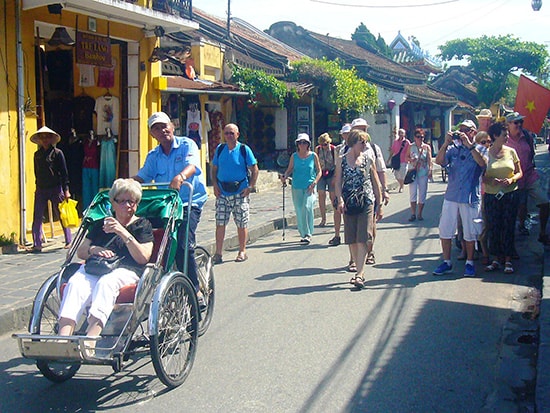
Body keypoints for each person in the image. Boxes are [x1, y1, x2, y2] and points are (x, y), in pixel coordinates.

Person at [58, 178, 154, 337]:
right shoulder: (101, 224)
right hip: (97, 267)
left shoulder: (142, 225)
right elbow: (81, 252)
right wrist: (94, 249)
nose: (127, 205)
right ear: (113, 202)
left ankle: (91, 338)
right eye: (121, 201)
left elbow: (143, 257)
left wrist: (122, 232)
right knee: (75, 283)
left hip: (127, 270)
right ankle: (63, 339)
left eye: (131, 201)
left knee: (106, 283)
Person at [133, 112, 208, 302]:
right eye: (156, 128)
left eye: (164, 126)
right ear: (152, 135)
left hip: (188, 202)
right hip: (164, 205)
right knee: (143, 235)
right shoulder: (154, 155)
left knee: (183, 244)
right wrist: (126, 184)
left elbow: (192, 166)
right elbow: (142, 176)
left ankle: (195, 289)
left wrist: (180, 177)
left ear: (172, 126)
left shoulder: (186, 145)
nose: (162, 130)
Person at [433, 119, 487, 277]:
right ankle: (446, 261)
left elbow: (482, 164)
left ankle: (470, 262)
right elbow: (439, 161)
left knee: (470, 232)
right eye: (461, 129)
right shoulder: (452, 149)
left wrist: (469, 145)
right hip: (452, 195)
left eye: (467, 130)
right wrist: (445, 144)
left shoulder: (480, 149)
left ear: (474, 132)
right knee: (445, 228)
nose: (463, 132)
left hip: (470, 197)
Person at [334, 130, 382, 289]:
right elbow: (338, 182)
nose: (365, 145)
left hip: (366, 201)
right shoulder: (341, 161)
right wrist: (339, 199)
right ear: (354, 142)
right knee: (351, 238)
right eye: (362, 142)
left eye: (366, 142)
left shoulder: (368, 159)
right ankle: (356, 264)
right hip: (348, 203)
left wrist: (379, 204)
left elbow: (376, 183)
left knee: (363, 236)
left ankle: (359, 274)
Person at [210, 123, 259, 264]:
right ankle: (218, 253)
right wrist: (214, 185)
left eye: (232, 133)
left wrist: (250, 187)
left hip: (240, 192)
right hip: (222, 192)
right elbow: (214, 168)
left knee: (241, 223)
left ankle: (242, 251)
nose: (229, 136)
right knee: (220, 222)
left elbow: (254, 169)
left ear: (237, 134)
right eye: (226, 133)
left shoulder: (244, 149)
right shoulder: (220, 149)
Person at [505, 111, 550, 246]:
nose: (519, 125)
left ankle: (542, 233)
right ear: (508, 125)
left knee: (545, 202)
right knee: (520, 205)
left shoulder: (527, 136)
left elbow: (532, 153)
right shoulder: (504, 139)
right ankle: (520, 227)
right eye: (516, 122)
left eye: (521, 122)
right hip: (513, 177)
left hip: (530, 175)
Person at [483, 122, 522, 274]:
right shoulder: (485, 153)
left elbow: (519, 172)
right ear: (495, 136)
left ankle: (508, 259)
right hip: (492, 196)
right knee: (494, 226)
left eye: (507, 134)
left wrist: (511, 180)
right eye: (504, 134)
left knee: (508, 225)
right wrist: (490, 180)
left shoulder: (511, 151)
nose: (506, 137)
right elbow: (481, 175)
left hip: (510, 194)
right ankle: (496, 258)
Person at [350, 117, 388, 266]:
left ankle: (369, 251)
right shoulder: (344, 150)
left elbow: (380, 170)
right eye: (359, 129)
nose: (362, 132)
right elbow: (338, 175)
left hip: (369, 193)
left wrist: (383, 191)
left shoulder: (373, 148)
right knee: (351, 229)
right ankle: (353, 258)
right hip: (351, 195)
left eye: (364, 129)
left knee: (370, 225)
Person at [30, 126, 73, 252]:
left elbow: (64, 173)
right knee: (37, 216)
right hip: (41, 188)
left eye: (47, 137)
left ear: (51, 139)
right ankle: (37, 243)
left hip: (55, 188)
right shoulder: (37, 155)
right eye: (42, 137)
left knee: (61, 214)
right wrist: (37, 187)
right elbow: (36, 172)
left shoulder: (58, 154)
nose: (44, 140)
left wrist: (66, 190)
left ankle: (68, 240)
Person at [280, 133, 322, 244]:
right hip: (297, 186)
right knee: (299, 210)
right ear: (297, 144)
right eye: (300, 142)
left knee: (307, 207)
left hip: (310, 187)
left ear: (308, 144)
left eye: (304, 142)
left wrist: (315, 182)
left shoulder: (313, 156)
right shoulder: (294, 156)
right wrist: (285, 176)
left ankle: (308, 233)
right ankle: (303, 234)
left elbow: (319, 171)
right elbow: (290, 169)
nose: (302, 145)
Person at [328, 124, 351, 247]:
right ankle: (337, 235)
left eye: (348, 133)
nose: (346, 136)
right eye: (345, 133)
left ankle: (350, 236)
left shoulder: (357, 147)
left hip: (351, 183)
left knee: (349, 212)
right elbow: (337, 166)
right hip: (340, 182)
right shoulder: (339, 149)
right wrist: (335, 179)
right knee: (337, 208)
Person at [406, 128, 433, 222]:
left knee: (422, 193)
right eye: (418, 137)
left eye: (422, 137)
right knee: (413, 193)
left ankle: (420, 213)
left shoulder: (427, 147)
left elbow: (429, 160)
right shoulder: (411, 146)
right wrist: (411, 160)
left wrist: (430, 170)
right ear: (414, 137)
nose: (420, 139)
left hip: (423, 172)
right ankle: (413, 213)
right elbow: (406, 157)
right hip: (413, 171)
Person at [474, 131, 493, 265]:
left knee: (488, 224)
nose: (486, 145)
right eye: (483, 142)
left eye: (488, 142)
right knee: (480, 224)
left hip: (490, 192)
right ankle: (483, 252)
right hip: (477, 194)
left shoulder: (492, 153)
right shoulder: (474, 153)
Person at [314, 132, 336, 227]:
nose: (324, 146)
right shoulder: (318, 149)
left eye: (326, 144)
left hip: (331, 173)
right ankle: (323, 218)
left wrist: (335, 177)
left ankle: (337, 216)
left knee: (332, 196)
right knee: (321, 194)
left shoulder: (333, 149)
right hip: (321, 173)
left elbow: (336, 164)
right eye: (322, 145)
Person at [390, 128, 410, 192]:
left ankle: (401, 187)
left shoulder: (407, 142)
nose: (400, 134)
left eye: (402, 133)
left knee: (403, 174)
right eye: (399, 133)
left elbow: (409, 151)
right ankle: (401, 184)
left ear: (404, 134)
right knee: (396, 175)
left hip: (404, 160)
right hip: (396, 161)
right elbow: (392, 151)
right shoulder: (395, 142)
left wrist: (410, 159)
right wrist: (389, 159)